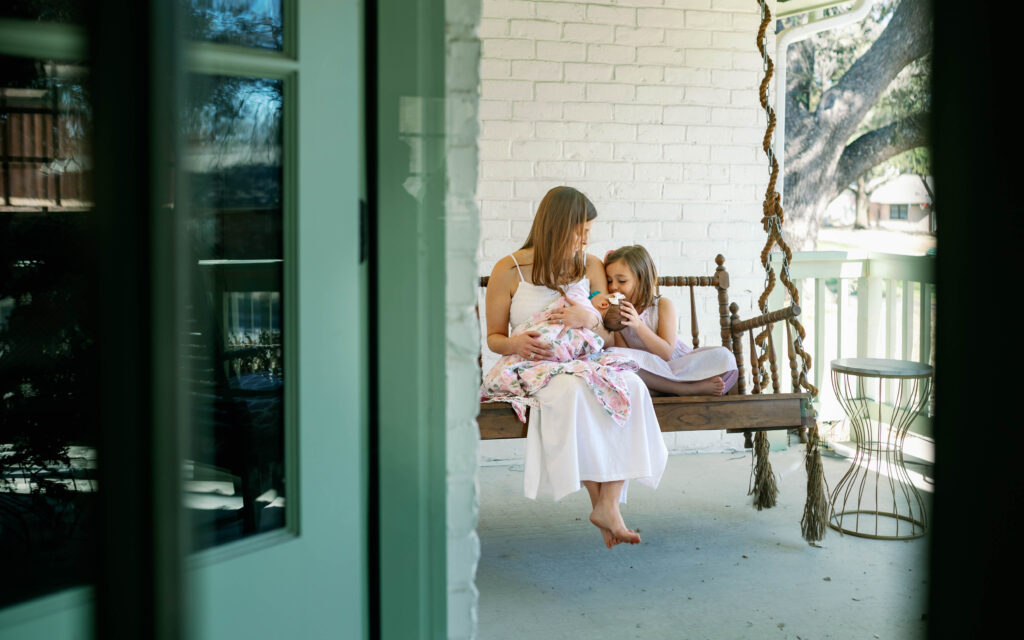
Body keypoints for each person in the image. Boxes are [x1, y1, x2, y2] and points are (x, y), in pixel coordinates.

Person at [482, 186, 667, 549]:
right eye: (580, 230)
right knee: (572, 391)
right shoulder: (508, 269)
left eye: (589, 231)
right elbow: (493, 337)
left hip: (584, 356)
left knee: (629, 385)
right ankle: (603, 508)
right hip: (536, 362)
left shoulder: (590, 265)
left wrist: (590, 317)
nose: (586, 239)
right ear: (556, 226)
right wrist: (515, 343)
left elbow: (605, 320)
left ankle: (608, 504)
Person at [602, 245, 739, 396]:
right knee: (613, 355)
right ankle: (684, 390)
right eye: (609, 281)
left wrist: (638, 325)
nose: (613, 286)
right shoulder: (618, 314)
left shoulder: (662, 305)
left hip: (675, 367)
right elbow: (624, 356)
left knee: (724, 356)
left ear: (642, 279)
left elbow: (666, 353)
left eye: (621, 281)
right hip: (649, 373)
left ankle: (667, 389)